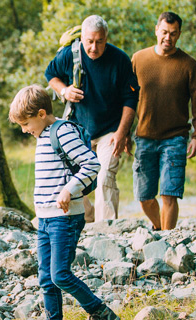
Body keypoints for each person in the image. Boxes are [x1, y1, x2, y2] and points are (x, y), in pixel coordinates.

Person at [9, 85, 120, 320]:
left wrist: (69, 189)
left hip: (65, 217)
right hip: (47, 218)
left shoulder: (63, 131)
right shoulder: (43, 134)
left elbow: (92, 164)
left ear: (40, 113)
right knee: (46, 278)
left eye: (26, 124)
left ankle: (103, 314)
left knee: (60, 274)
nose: (25, 130)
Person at [45, 15, 139, 222]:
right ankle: (86, 221)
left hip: (111, 130)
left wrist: (122, 132)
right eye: (89, 41)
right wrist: (65, 90)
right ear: (82, 38)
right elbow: (50, 74)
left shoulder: (120, 60)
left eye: (99, 42)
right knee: (76, 178)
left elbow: (131, 99)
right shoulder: (71, 54)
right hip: (78, 130)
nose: (94, 48)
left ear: (106, 38)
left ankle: (106, 228)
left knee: (105, 176)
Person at [128, 12, 196, 230]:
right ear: (156, 30)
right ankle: (160, 229)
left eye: (173, 34)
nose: (168, 38)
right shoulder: (138, 59)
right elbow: (126, 100)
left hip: (175, 138)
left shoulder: (189, 65)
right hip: (144, 137)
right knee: (144, 196)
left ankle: (167, 241)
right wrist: (124, 133)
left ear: (179, 34)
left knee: (169, 195)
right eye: (164, 32)